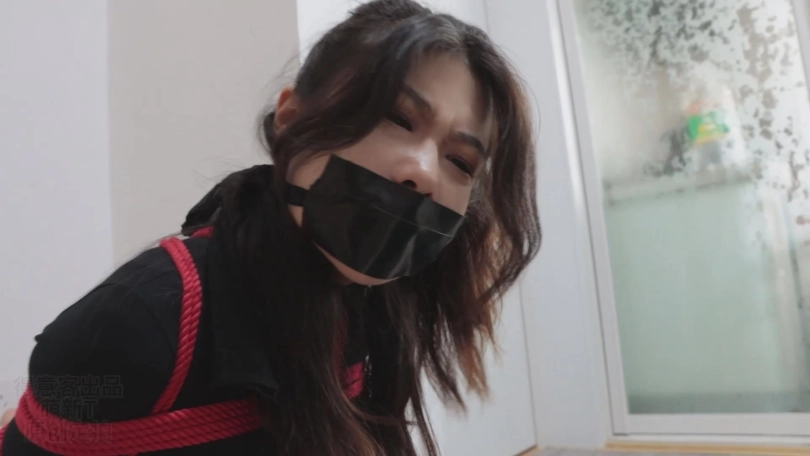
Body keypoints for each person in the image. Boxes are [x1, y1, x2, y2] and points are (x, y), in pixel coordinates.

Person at [0, 0, 540, 454]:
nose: (423, 172)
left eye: (461, 162)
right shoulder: (133, 323)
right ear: (291, 117)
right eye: (397, 118)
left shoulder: (378, 304)